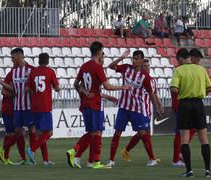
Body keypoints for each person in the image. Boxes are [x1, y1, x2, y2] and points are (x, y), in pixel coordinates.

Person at [66, 41, 133, 169]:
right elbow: (107, 86)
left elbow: (75, 84)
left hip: (86, 104)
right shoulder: (97, 67)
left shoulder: (84, 66)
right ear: (99, 52)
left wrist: (85, 92)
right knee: (97, 132)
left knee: (92, 133)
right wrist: (123, 87)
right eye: (102, 51)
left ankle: (89, 160)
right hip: (96, 104)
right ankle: (80, 154)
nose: (102, 53)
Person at [105, 50, 162, 167]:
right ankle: (111, 160)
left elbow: (151, 93)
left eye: (137, 59)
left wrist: (156, 109)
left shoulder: (145, 76)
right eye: (133, 58)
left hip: (137, 108)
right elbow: (110, 66)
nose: (134, 61)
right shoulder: (126, 68)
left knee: (142, 133)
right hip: (124, 107)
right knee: (117, 133)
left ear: (141, 60)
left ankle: (152, 159)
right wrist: (121, 57)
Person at [170, 48, 211, 178]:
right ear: (190, 57)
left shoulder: (179, 70)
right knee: (204, 139)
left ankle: (189, 171)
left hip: (184, 105)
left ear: (181, 59)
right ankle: (207, 170)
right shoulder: (201, 69)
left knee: (184, 139)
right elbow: (210, 88)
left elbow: (174, 89)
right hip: (198, 104)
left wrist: (185, 89)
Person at [0, 48, 37, 165]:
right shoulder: (13, 71)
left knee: (31, 129)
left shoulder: (31, 70)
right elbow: (12, 89)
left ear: (19, 57)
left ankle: (32, 155)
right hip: (17, 107)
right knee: (18, 132)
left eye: (13, 57)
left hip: (28, 106)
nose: (12, 60)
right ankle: (23, 158)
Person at [120, 59, 164, 163]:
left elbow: (154, 94)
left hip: (148, 110)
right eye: (145, 66)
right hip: (140, 110)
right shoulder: (138, 79)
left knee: (141, 134)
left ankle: (126, 151)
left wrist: (159, 106)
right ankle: (151, 157)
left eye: (148, 65)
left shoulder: (152, 80)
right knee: (145, 132)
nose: (147, 67)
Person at [24, 53, 60, 165]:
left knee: (42, 133)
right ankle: (32, 149)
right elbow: (58, 88)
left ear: (38, 61)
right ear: (48, 61)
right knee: (49, 133)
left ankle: (45, 160)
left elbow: (26, 89)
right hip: (45, 105)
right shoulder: (50, 72)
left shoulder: (33, 72)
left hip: (34, 105)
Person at [171, 48, 203, 167]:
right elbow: (175, 88)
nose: (197, 63)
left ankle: (180, 153)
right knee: (181, 131)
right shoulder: (179, 69)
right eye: (197, 60)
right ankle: (176, 159)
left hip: (183, 103)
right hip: (181, 103)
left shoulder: (182, 69)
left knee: (193, 127)